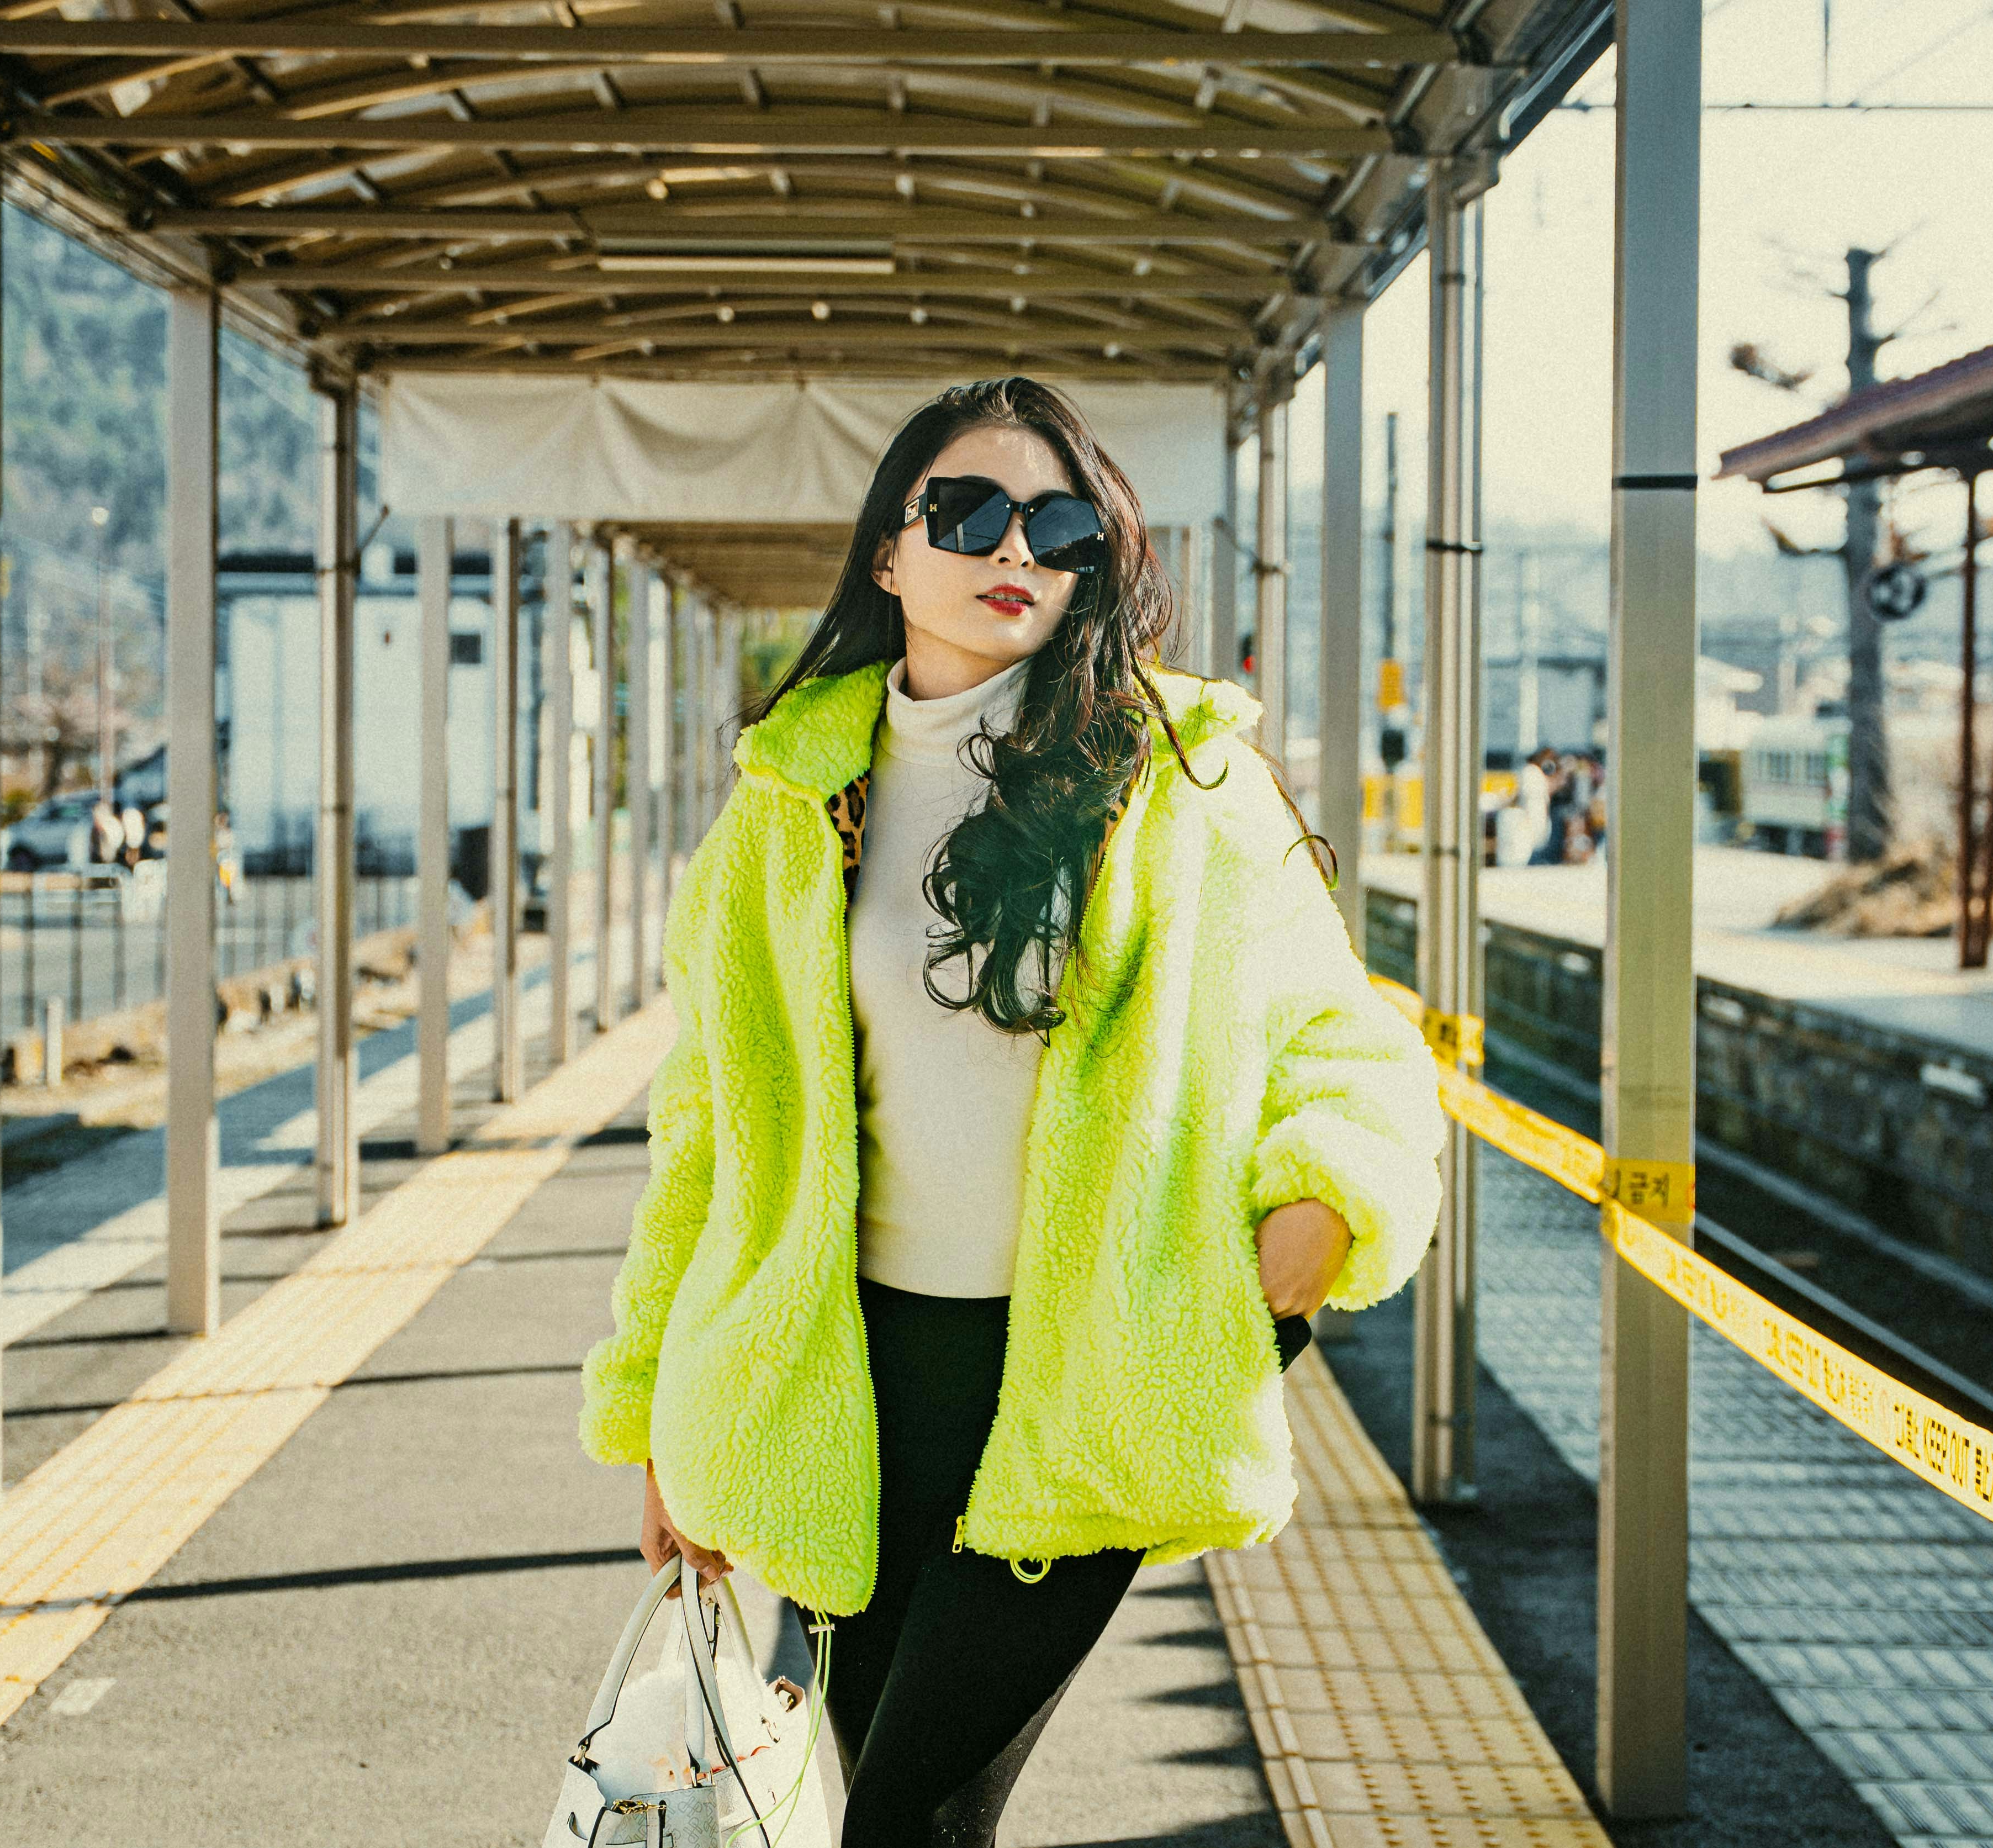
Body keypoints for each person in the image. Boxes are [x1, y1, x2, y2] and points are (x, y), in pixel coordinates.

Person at [579, 378, 1445, 1848]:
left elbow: (1338, 1030)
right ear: (888, 555)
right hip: (842, 1376)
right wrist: (659, 1404)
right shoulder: (786, 807)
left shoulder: (1182, 779)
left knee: (905, 1812)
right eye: (968, 511)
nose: (1017, 549)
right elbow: (709, 1130)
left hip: (1085, 1372)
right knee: (886, 1800)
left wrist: (1325, 1211)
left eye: (1060, 525)